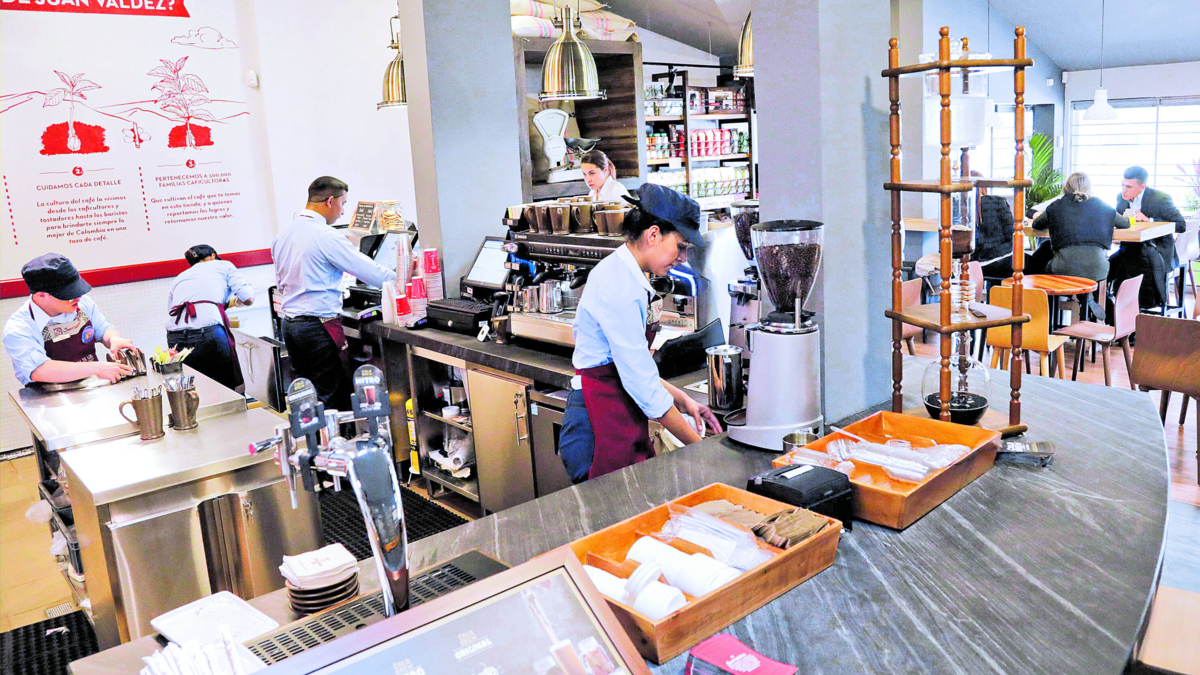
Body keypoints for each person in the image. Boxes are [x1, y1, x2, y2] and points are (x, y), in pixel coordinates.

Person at [559, 183, 722, 482]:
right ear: (653, 235)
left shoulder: (627, 274)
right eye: (681, 247)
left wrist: (683, 401)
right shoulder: (619, 287)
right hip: (595, 427)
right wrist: (700, 448)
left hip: (613, 410)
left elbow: (632, 367)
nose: (683, 258)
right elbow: (641, 384)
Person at [272, 176, 397, 409]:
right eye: (343, 204)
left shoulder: (283, 235)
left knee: (307, 399)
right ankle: (338, 433)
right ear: (330, 201)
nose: (342, 212)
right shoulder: (326, 236)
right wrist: (403, 279)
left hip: (290, 325)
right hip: (318, 327)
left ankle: (315, 433)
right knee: (333, 397)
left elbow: (280, 284)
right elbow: (370, 272)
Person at [3, 253, 135, 386]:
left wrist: (113, 339)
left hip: (92, 385)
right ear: (41, 295)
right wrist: (97, 368)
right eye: (68, 294)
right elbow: (40, 370)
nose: (77, 297)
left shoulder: (82, 304)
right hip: (49, 395)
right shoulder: (19, 327)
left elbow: (103, 328)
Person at [164, 244, 255, 391]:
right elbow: (248, 297)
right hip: (208, 335)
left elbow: (173, 311)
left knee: (193, 388)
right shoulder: (223, 265)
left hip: (175, 337)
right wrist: (238, 301)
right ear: (213, 256)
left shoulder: (180, 277)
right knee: (225, 387)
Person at [1031, 172, 1128, 282]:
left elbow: (1037, 224)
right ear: (1089, 188)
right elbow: (1125, 224)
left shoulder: (1056, 206)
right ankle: (1098, 294)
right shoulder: (1103, 206)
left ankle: (1042, 292)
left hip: (1062, 269)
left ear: (1066, 187)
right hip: (1098, 271)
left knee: (1041, 261)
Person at [1116, 166, 1186, 270]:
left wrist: (1150, 221)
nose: (1124, 190)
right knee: (1108, 267)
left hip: (1157, 251)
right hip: (1129, 250)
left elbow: (1181, 225)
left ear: (1142, 187)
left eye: (1129, 187)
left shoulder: (1160, 198)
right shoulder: (1121, 198)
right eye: (1123, 185)